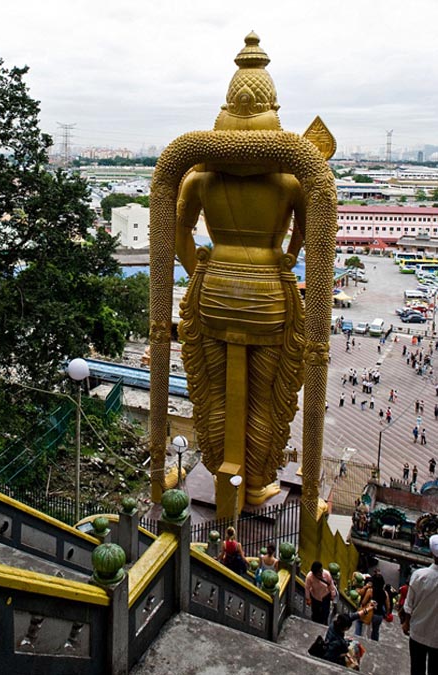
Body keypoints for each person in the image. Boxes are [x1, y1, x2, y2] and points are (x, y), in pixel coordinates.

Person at [171, 33, 317, 506]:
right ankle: (254, 483)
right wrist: (285, 261)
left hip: (214, 290)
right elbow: (307, 236)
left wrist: (199, 270)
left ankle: (219, 468)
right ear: (271, 104)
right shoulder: (291, 176)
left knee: (212, 390)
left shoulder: (199, 174)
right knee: (265, 396)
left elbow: (179, 234)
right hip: (268, 296)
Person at [402, 534, 438, 674]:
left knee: (417, 668)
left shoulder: (419, 575)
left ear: (431, 553)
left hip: (417, 631)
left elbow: (409, 605)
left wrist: (406, 622)